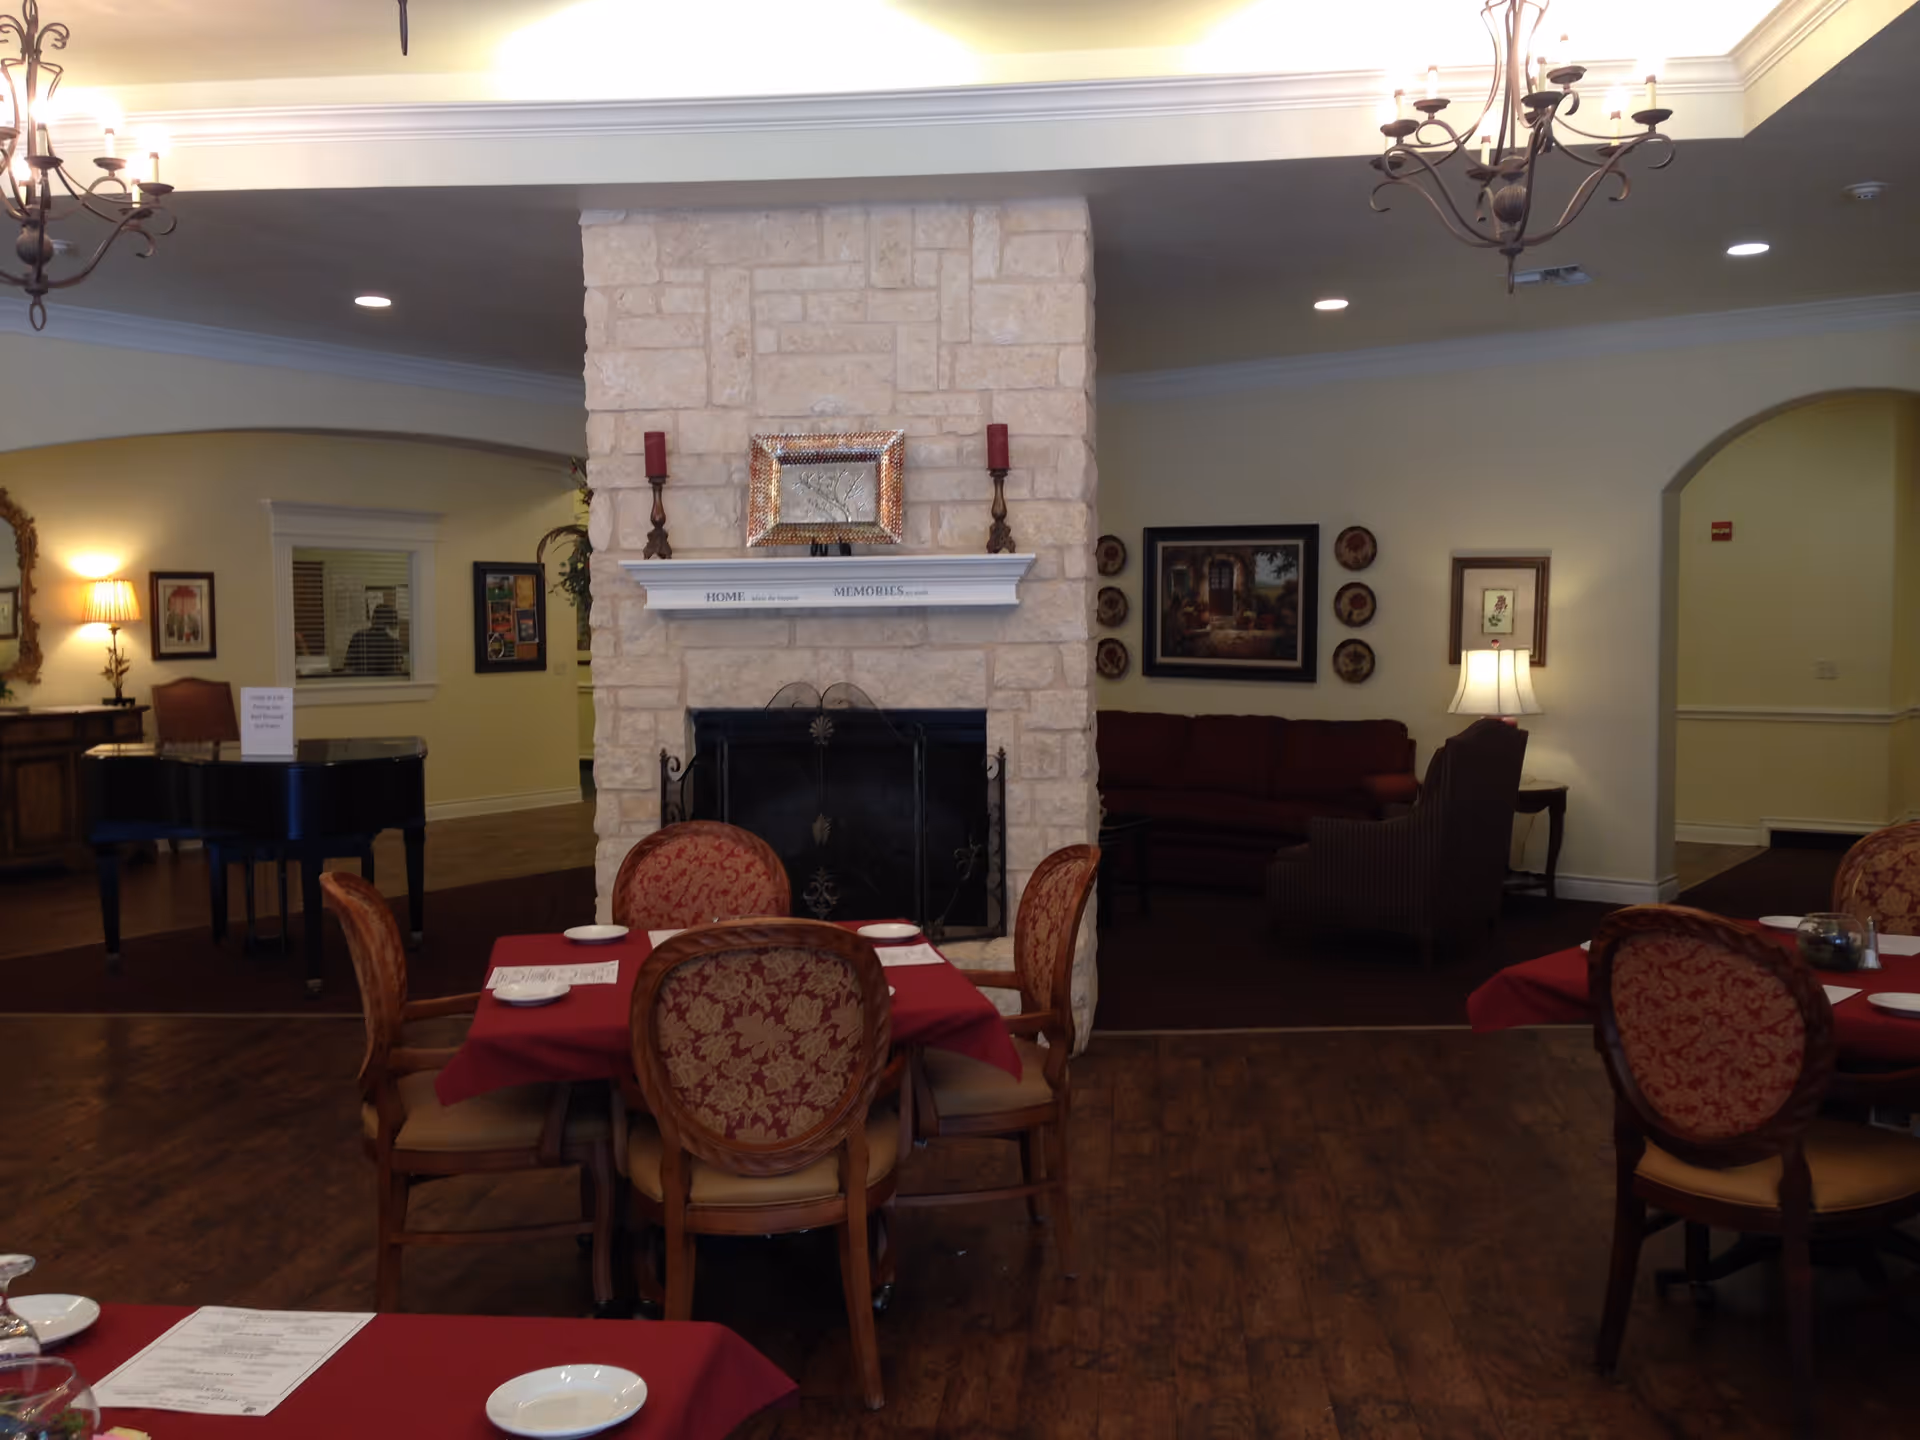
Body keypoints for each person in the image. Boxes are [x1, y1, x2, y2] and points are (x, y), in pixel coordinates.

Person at [345, 603, 404, 676]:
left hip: (361, 683)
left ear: (374, 618)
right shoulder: (394, 644)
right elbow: (398, 671)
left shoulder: (358, 637)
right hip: (386, 685)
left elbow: (348, 668)